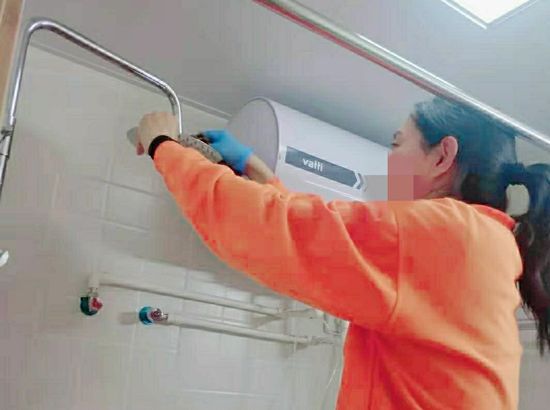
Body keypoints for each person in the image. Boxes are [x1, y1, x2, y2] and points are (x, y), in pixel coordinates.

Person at [134, 97, 550, 410]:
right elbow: (316, 233)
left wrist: (163, 146)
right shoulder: (484, 242)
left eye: (397, 144)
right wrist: (256, 170)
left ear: (443, 155)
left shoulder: (441, 231)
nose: (389, 159)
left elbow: (271, 230)